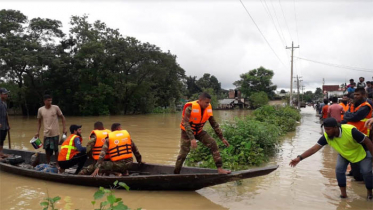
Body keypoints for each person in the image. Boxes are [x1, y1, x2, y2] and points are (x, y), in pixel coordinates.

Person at [289, 118, 373, 199]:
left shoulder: (350, 131)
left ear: (336, 127)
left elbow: (367, 141)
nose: (326, 131)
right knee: (339, 171)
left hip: (361, 153)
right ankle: (343, 195)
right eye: (325, 129)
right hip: (344, 154)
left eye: (328, 129)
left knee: (366, 172)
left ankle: (369, 193)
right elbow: (314, 148)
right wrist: (299, 158)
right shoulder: (327, 136)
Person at [175, 92, 231, 174]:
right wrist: (192, 138)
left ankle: (220, 169)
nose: (208, 104)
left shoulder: (208, 108)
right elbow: (186, 123)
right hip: (187, 132)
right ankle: (176, 173)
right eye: (206, 102)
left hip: (199, 131)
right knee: (183, 153)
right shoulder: (190, 108)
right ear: (200, 100)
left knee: (213, 143)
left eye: (209, 102)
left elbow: (214, 124)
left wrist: (222, 138)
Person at [35, 94, 67, 164]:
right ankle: (48, 163)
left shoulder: (56, 108)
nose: (50, 102)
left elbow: (63, 118)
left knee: (56, 149)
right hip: (46, 133)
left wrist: (64, 128)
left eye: (51, 100)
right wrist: (37, 132)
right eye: (48, 100)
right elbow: (39, 122)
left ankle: (58, 164)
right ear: (44, 101)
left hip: (55, 133)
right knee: (47, 150)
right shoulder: (40, 110)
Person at [0, 88, 10, 159]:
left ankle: (1, 153)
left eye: (7, 94)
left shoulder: (4, 104)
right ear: (1, 94)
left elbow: (6, 114)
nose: (6, 95)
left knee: (2, 140)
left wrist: (8, 124)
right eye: (5, 94)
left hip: (4, 125)